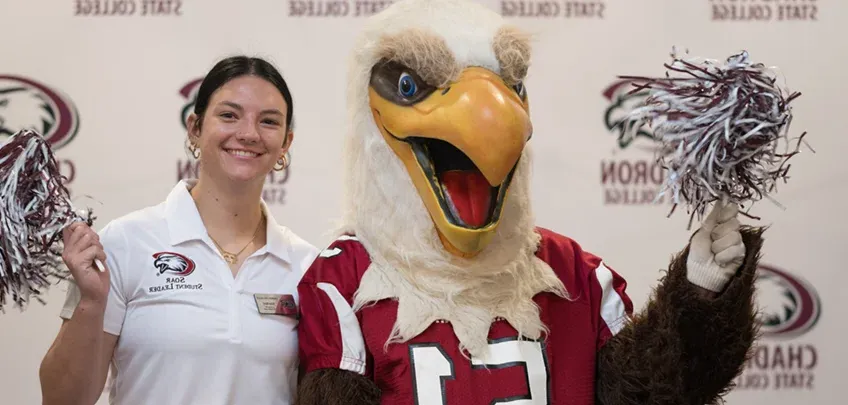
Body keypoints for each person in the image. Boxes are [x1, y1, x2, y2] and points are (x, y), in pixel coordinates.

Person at [38, 55, 319, 405]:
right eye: (229, 115)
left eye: (268, 121)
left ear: (286, 143)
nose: (248, 134)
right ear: (195, 129)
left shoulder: (309, 266)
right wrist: (92, 305)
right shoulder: (125, 243)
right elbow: (62, 399)